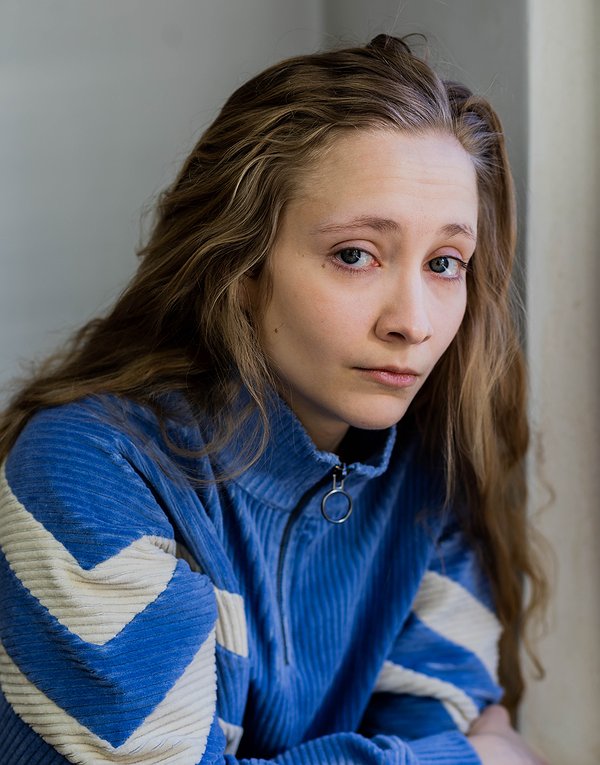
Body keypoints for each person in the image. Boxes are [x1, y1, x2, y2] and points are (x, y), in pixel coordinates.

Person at [0, 34, 547, 765]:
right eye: (355, 254)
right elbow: (454, 753)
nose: (413, 322)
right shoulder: (90, 471)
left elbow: (431, 726)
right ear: (242, 268)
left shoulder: (425, 480)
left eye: (445, 263)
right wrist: (481, 759)